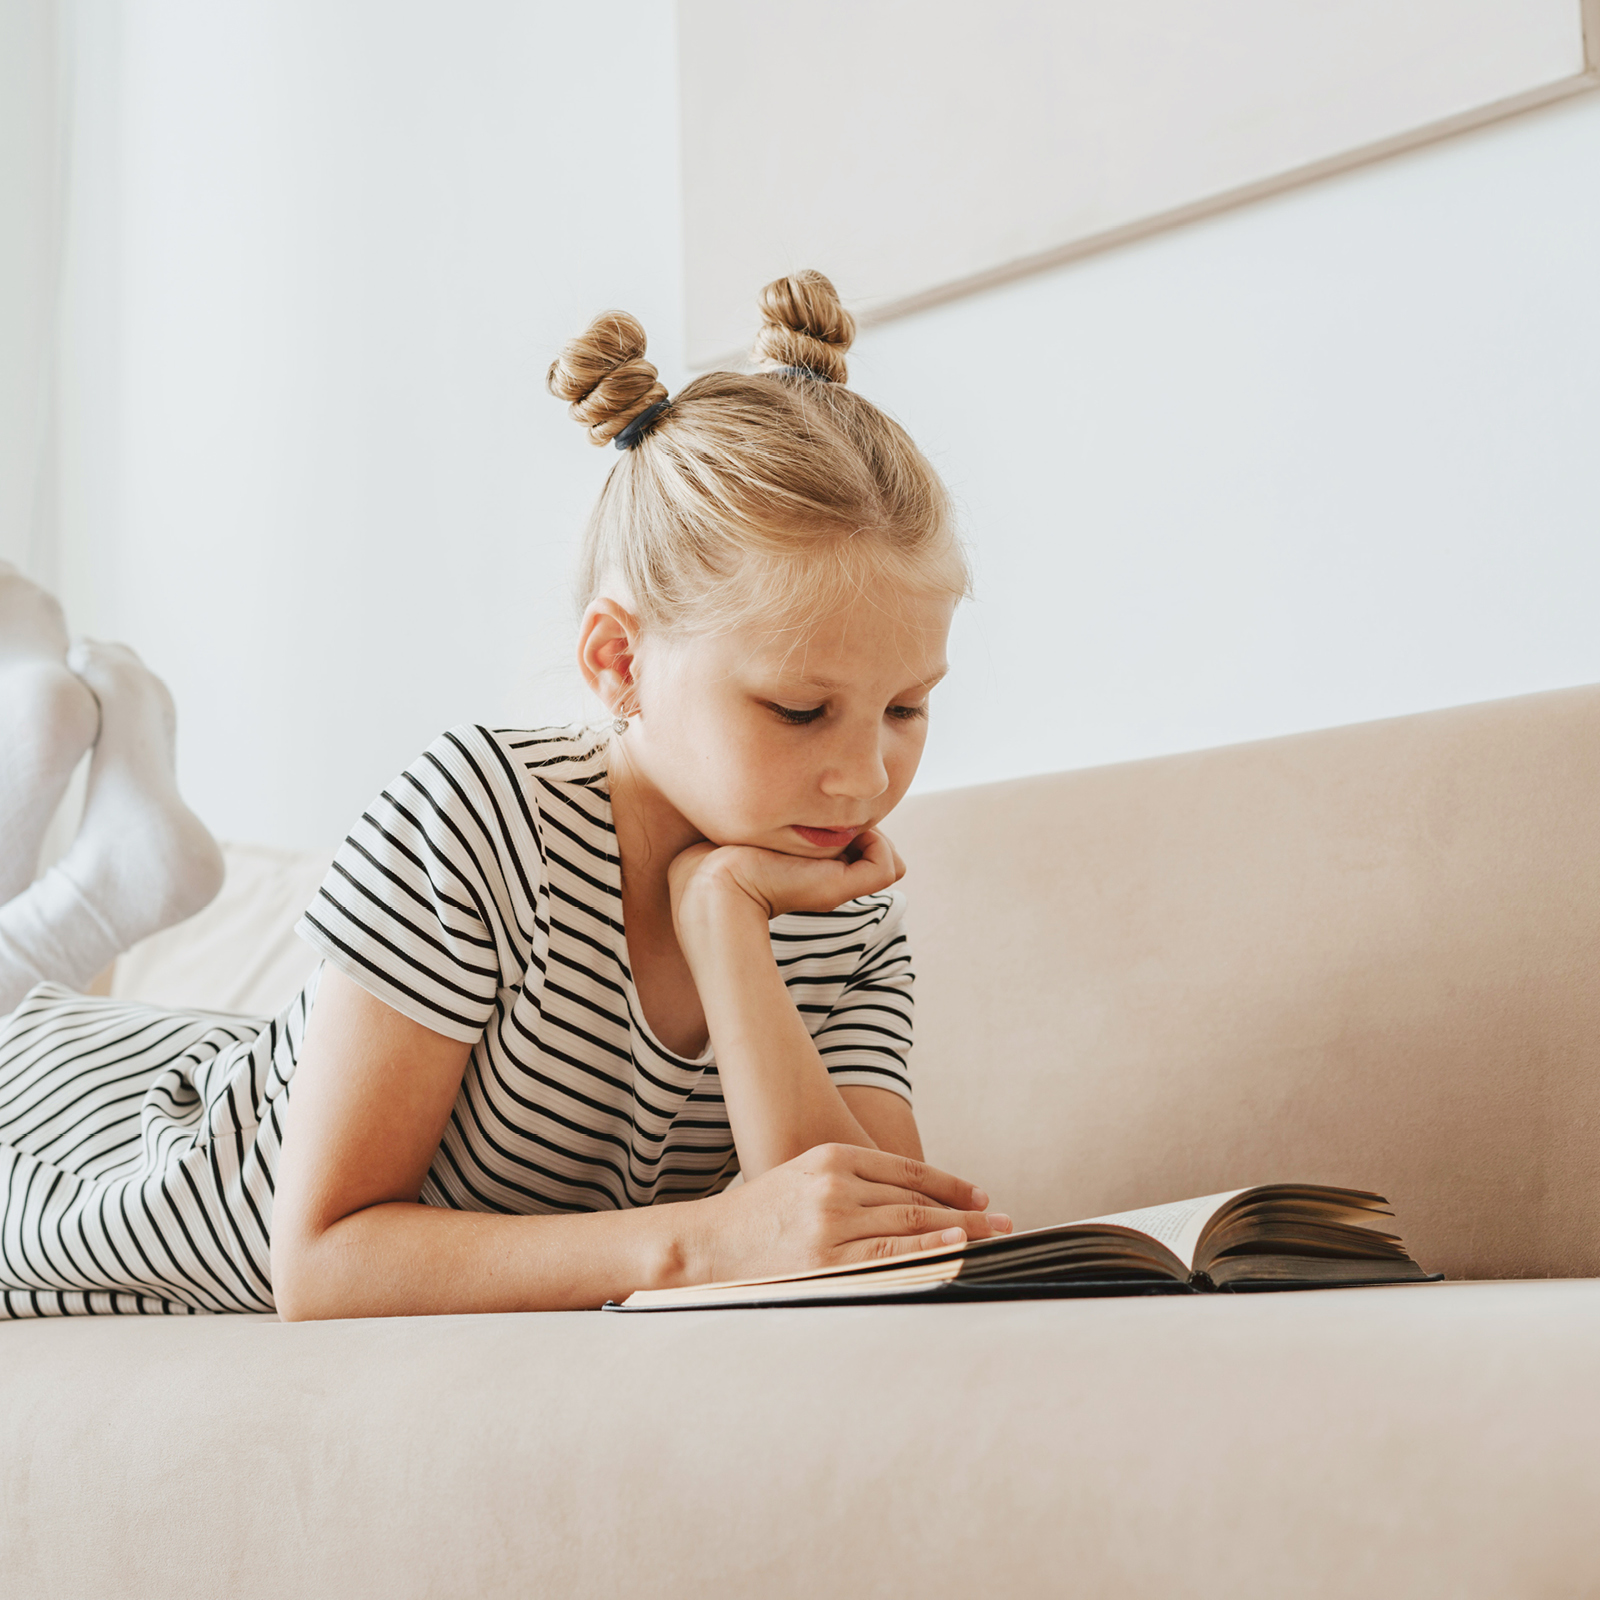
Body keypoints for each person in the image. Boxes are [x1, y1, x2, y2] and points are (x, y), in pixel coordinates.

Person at [0, 270, 1011, 1321]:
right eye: (799, 711)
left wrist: (726, 925)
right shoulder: (480, 814)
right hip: (74, 1157)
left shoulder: (837, 913)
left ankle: (99, 857)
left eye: (905, 709)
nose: (864, 777)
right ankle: (55, 777)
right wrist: (700, 1243)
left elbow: (866, 1247)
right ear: (619, 660)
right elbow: (322, 1261)